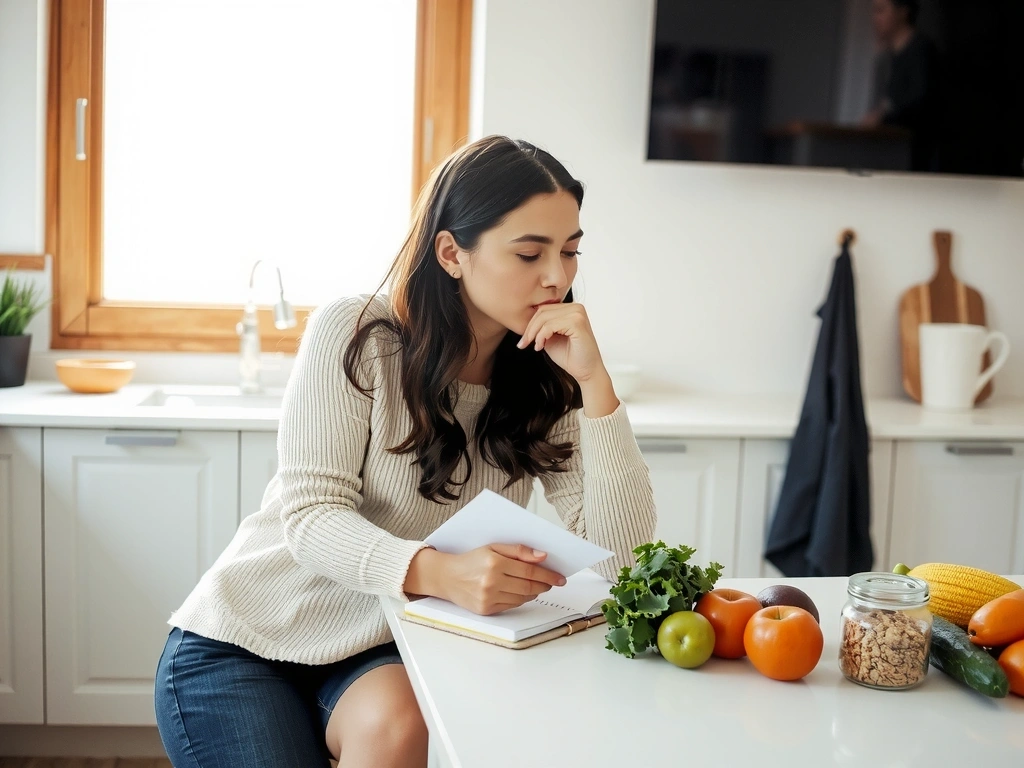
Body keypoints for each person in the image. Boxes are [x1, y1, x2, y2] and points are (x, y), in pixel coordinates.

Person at [153, 135, 658, 767]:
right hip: (246, 638)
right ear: (451, 252)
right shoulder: (357, 335)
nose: (557, 276)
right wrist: (440, 573)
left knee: (400, 726)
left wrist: (597, 389)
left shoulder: (549, 375)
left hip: (379, 645)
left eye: (570, 251)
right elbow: (310, 516)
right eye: (530, 252)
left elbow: (627, 566)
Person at [862, 0, 939, 170]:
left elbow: (918, 102)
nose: (875, 19)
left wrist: (882, 117)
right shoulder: (888, 57)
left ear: (902, 12)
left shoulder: (921, 51)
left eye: (881, 11)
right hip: (892, 154)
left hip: (917, 159)